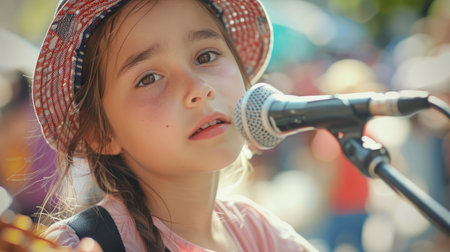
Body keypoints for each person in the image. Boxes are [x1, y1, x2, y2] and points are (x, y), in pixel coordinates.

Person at [32, 0, 318, 251]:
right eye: (149, 78)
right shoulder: (80, 243)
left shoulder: (258, 233)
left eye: (206, 56)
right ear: (101, 132)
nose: (198, 88)